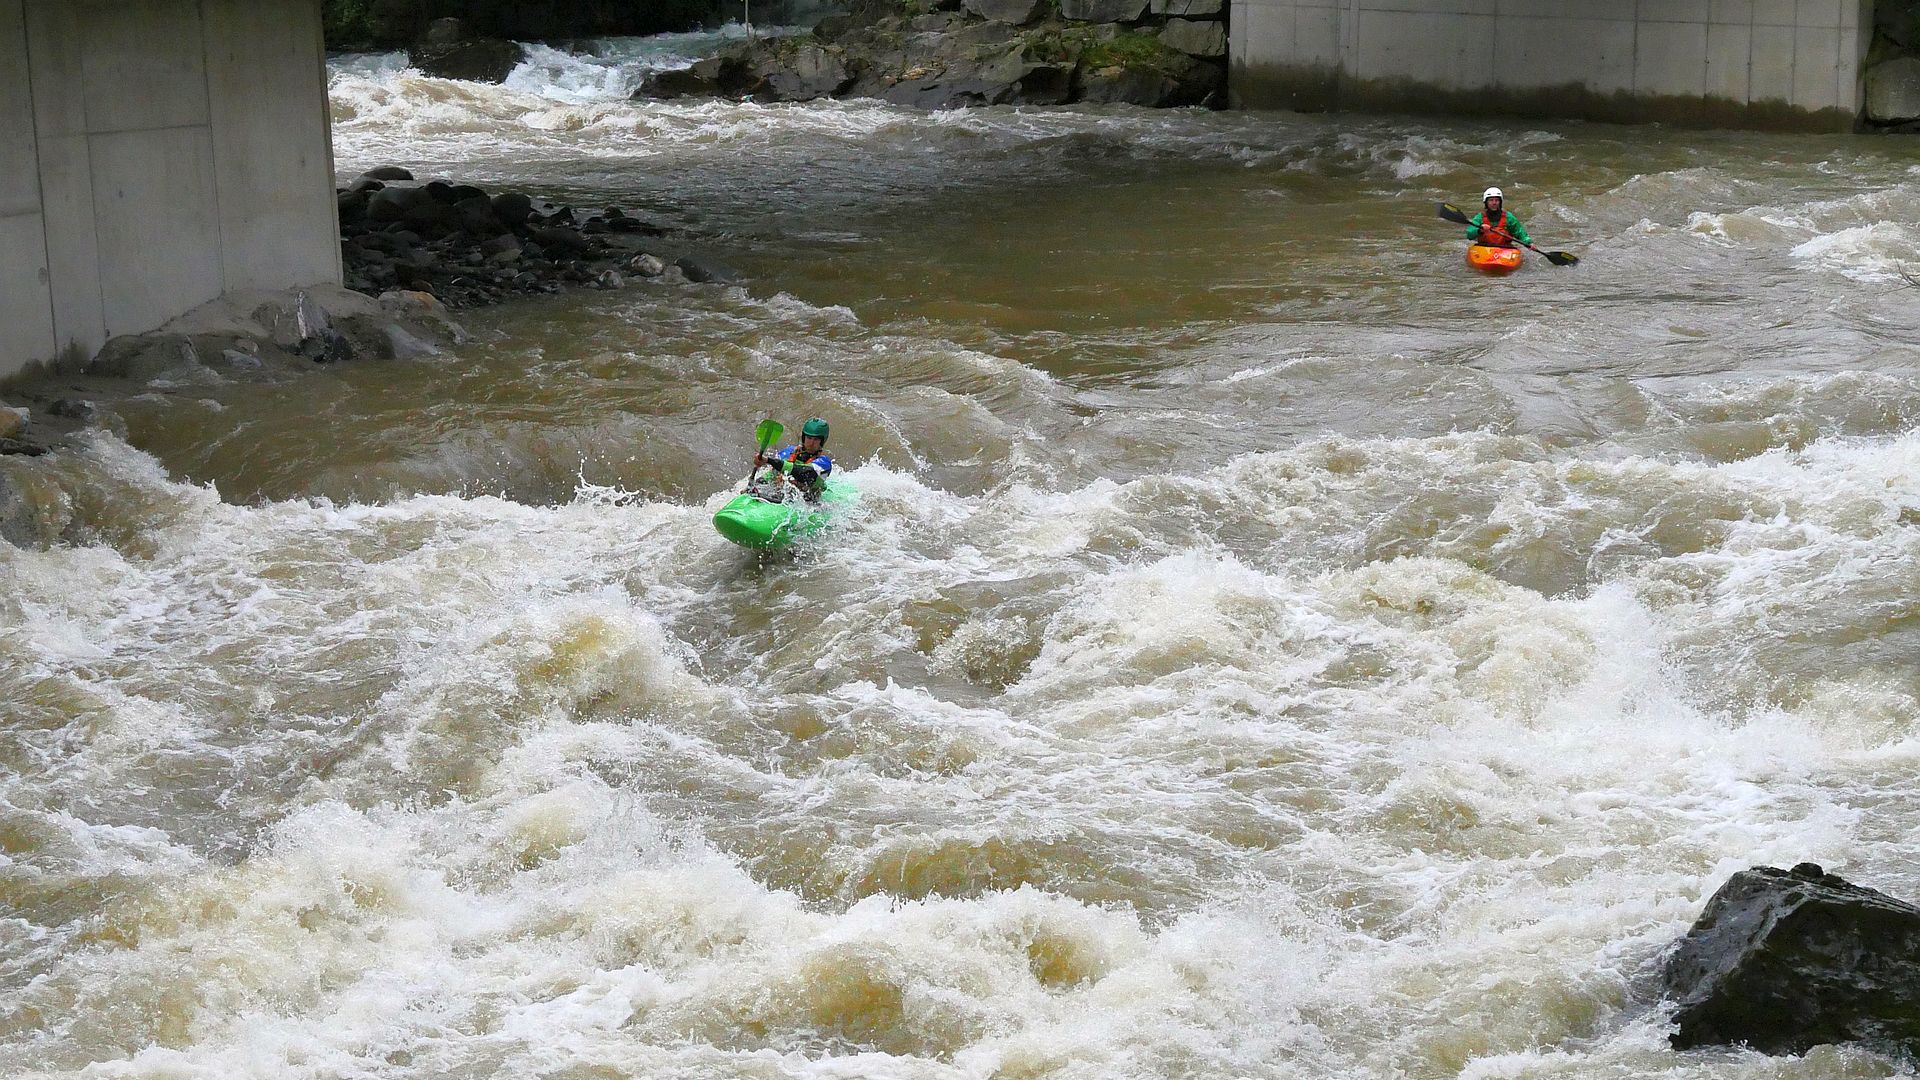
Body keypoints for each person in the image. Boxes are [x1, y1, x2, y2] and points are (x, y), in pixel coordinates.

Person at [752, 417, 834, 502]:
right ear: (804, 438)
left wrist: (768, 460)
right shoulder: (789, 452)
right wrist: (756, 485)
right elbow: (772, 474)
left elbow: (803, 473)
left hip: (807, 503)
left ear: (822, 441)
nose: (811, 443)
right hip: (781, 496)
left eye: (816, 439)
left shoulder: (824, 463)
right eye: (809, 438)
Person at [1467, 186, 1533, 249]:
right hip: (1484, 248)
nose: (1494, 203)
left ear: (1500, 202)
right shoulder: (1479, 218)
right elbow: (1469, 234)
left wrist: (1529, 243)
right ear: (1486, 202)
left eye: (1497, 200)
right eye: (1491, 200)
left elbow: (1520, 232)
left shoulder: (1509, 218)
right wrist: (1479, 230)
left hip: (1504, 249)